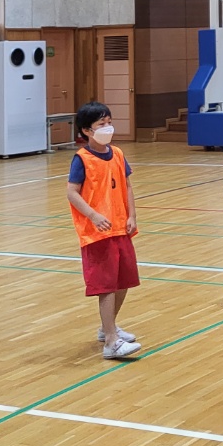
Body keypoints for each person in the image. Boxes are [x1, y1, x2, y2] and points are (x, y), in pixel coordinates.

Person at [65, 101, 141, 360]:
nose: (108, 127)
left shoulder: (118, 154)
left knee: (124, 281)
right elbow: (71, 192)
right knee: (106, 285)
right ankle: (111, 341)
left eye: (109, 122)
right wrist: (93, 215)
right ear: (87, 130)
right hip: (97, 232)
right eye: (101, 124)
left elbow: (127, 185)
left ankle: (108, 327)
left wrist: (131, 214)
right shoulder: (82, 159)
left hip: (120, 227)